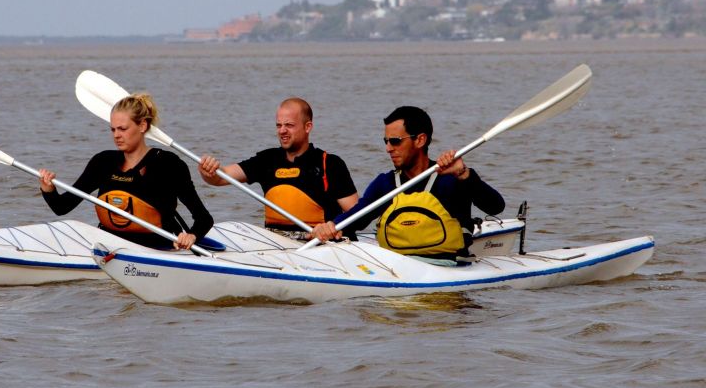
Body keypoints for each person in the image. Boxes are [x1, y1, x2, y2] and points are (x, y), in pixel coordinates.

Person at [311, 106, 505, 265]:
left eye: (395, 141)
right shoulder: (385, 183)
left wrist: (463, 173)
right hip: (400, 268)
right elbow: (357, 218)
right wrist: (331, 226)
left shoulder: (452, 178)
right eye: (386, 141)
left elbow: (496, 206)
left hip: (449, 267)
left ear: (420, 140)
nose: (388, 148)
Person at [39, 93, 212, 251]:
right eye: (113, 129)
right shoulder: (103, 162)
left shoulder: (168, 163)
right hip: (111, 247)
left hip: (158, 249)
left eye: (123, 129)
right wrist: (48, 189)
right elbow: (62, 207)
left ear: (142, 125)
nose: (116, 135)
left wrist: (191, 236)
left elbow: (203, 218)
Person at [198, 97, 358, 237]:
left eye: (289, 125)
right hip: (277, 245)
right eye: (278, 125)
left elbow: (356, 214)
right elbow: (220, 178)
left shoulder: (330, 163)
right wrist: (207, 171)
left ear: (308, 127)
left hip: (318, 243)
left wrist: (333, 227)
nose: (282, 131)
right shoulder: (266, 160)